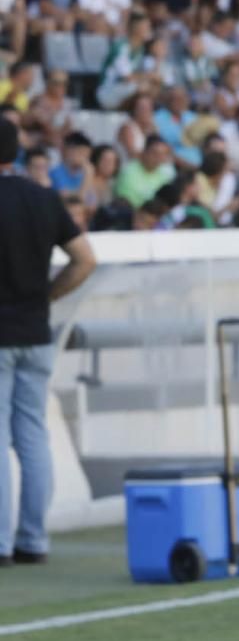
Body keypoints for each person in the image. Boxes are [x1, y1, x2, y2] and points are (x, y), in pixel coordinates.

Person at [0, 118, 96, 566]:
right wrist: (47, 296)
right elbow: (84, 260)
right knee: (32, 437)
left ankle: (0, 542)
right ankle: (33, 539)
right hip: (36, 331)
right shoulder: (42, 198)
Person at [114, 134, 175, 208]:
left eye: (162, 154)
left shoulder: (166, 172)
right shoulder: (128, 172)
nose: (158, 158)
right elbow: (126, 204)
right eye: (154, 153)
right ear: (144, 152)